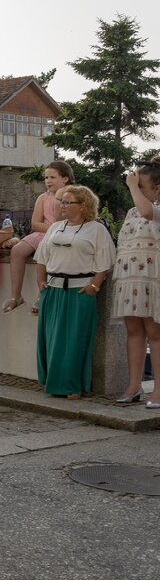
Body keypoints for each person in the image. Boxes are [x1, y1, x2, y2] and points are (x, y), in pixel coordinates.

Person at [33, 185, 115, 399]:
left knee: (75, 341)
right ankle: (52, 382)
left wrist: (94, 287)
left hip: (80, 291)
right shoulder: (55, 227)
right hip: (53, 290)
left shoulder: (96, 229)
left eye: (68, 202)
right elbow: (41, 257)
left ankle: (72, 385)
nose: (63, 205)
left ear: (83, 205)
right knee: (51, 339)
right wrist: (41, 282)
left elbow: (104, 262)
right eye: (62, 202)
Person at [113, 161, 160, 405]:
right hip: (131, 280)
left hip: (153, 280)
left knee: (155, 333)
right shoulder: (132, 212)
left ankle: (159, 389)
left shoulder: (153, 209)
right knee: (133, 332)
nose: (134, 189)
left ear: (157, 188)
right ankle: (134, 386)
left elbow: (148, 213)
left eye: (140, 185)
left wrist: (132, 186)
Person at [2, 161, 72, 314]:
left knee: (45, 249)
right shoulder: (42, 198)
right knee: (17, 251)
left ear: (65, 178)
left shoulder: (74, 196)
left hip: (64, 234)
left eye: (52, 177)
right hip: (44, 232)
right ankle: (16, 296)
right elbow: (35, 223)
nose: (48, 181)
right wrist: (52, 229)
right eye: (46, 178)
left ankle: (42, 295)